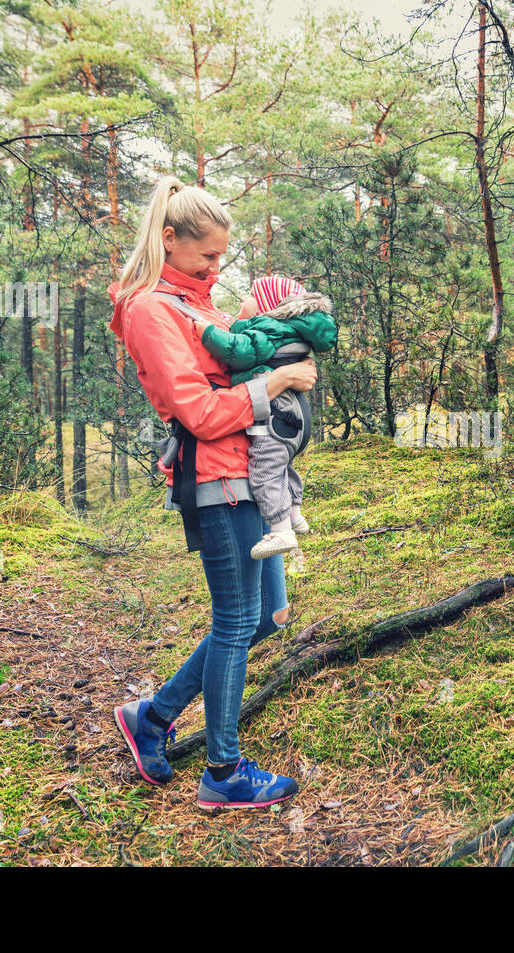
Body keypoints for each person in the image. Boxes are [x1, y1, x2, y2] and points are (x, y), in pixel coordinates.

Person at [106, 175, 317, 810]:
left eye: (224, 256)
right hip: (215, 479)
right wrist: (277, 381)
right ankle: (223, 773)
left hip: (254, 475)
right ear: (168, 240)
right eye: (208, 257)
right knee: (235, 621)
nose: (218, 268)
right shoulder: (150, 310)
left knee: (268, 615)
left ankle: (154, 715)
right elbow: (196, 411)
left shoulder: (204, 307)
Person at [194, 274, 337, 559]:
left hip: (274, 416)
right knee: (282, 465)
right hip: (293, 416)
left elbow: (239, 352)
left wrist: (206, 332)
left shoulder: (268, 329)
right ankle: (295, 514)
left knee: (264, 470)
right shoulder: (286, 331)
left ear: (267, 306)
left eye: (249, 294)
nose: (242, 299)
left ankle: (281, 530)